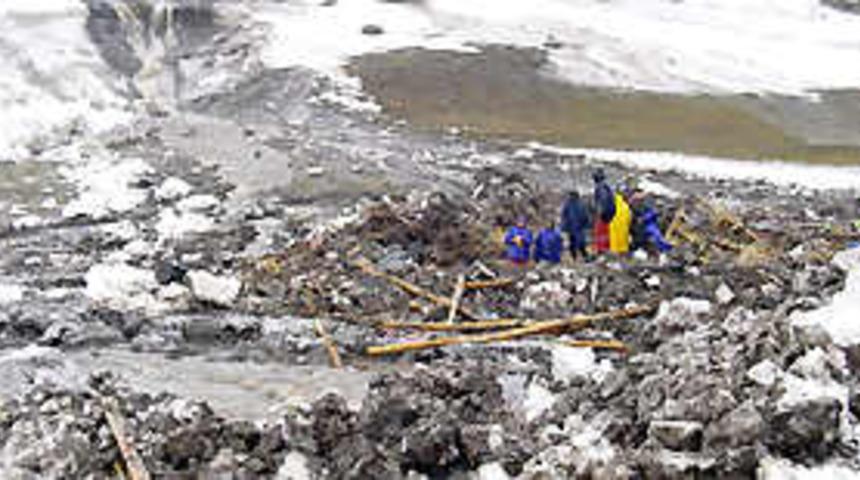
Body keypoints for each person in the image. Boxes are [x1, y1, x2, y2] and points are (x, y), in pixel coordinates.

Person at [560, 191, 590, 260]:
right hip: (578, 227)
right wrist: (586, 225)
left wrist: (564, 227)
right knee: (580, 242)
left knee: (573, 243)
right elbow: (585, 216)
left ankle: (575, 258)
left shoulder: (568, 204)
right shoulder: (581, 203)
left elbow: (564, 216)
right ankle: (584, 257)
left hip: (572, 227)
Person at [592, 169, 615, 254]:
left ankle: (602, 250)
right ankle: (605, 249)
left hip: (604, 215)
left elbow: (603, 200)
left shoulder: (600, 187)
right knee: (605, 232)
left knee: (601, 232)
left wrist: (600, 211)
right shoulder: (606, 187)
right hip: (609, 214)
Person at [609, 187, 632, 254]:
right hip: (623, 227)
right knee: (622, 245)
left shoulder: (613, 203)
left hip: (614, 227)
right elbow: (629, 218)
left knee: (615, 244)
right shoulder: (625, 206)